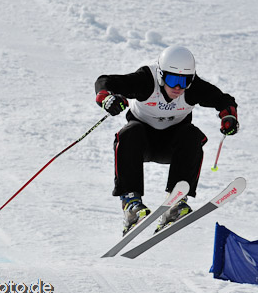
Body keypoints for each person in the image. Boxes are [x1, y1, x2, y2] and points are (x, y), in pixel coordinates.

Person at [94, 45, 239, 235]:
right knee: (130, 132)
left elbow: (223, 100)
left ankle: (175, 203)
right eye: (172, 80)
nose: (178, 87)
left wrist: (228, 116)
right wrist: (106, 98)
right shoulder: (146, 80)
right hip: (141, 144)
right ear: (161, 75)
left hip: (172, 147)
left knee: (192, 135)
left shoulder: (193, 89)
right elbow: (104, 82)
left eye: (185, 81)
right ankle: (131, 204)